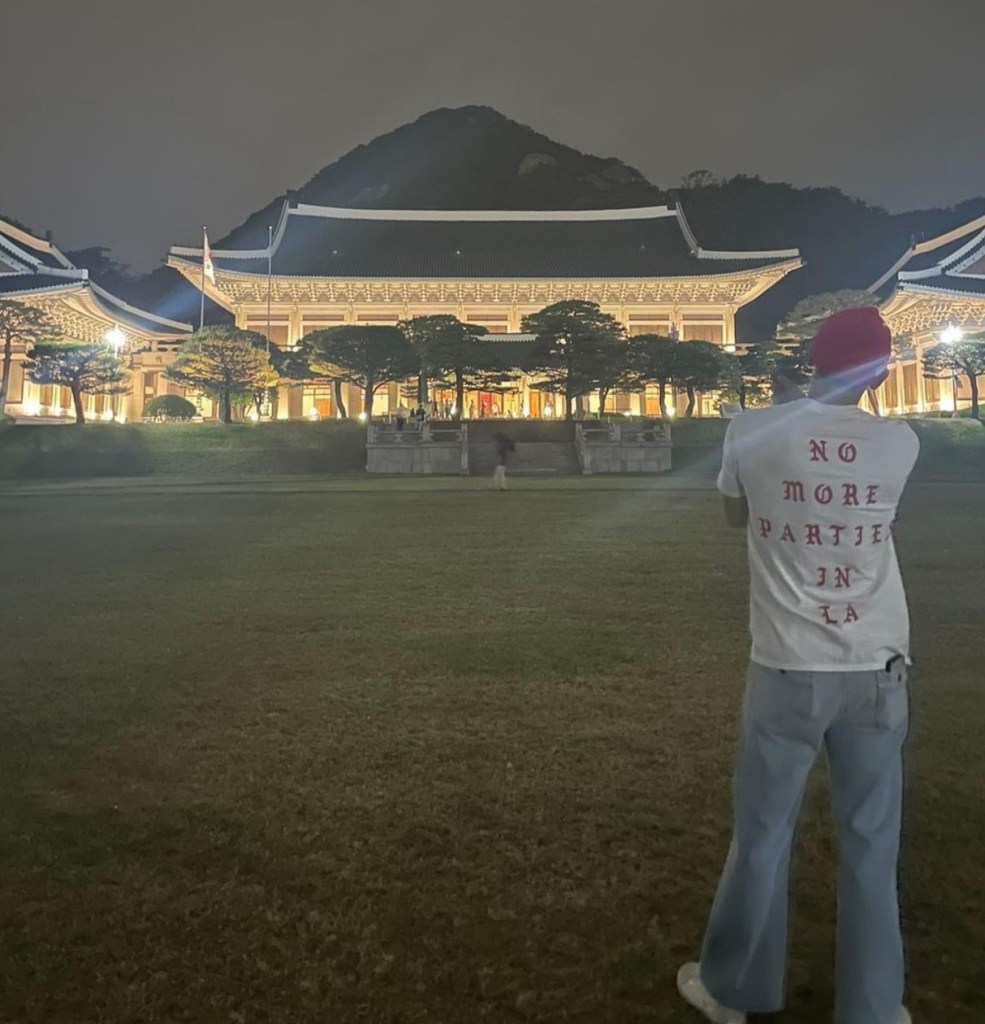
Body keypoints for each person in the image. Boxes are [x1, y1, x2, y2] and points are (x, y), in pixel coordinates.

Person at [678, 307, 920, 1024]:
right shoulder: (900, 443)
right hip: (876, 662)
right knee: (871, 844)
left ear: (811, 359)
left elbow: (737, 517)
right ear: (880, 372)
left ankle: (735, 989)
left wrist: (781, 416)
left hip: (787, 664)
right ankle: (873, 1007)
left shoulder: (751, 429)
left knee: (762, 835)